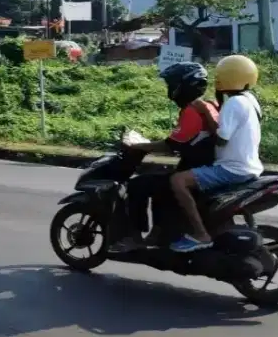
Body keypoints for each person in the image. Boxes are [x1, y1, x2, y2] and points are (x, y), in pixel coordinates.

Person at [110, 62, 219, 253]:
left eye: (172, 84)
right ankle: (159, 232)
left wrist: (137, 146)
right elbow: (181, 141)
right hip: (201, 166)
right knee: (159, 180)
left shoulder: (192, 111)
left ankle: (135, 237)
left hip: (194, 170)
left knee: (138, 185)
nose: (170, 89)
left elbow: (170, 145)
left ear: (183, 86)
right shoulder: (208, 105)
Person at [169, 54, 262, 253]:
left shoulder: (234, 103)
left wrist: (203, 111)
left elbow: (221, 138)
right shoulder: (250, 100)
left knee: (178, 181)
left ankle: (200, 234)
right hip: (250, 167)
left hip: (232, 169)